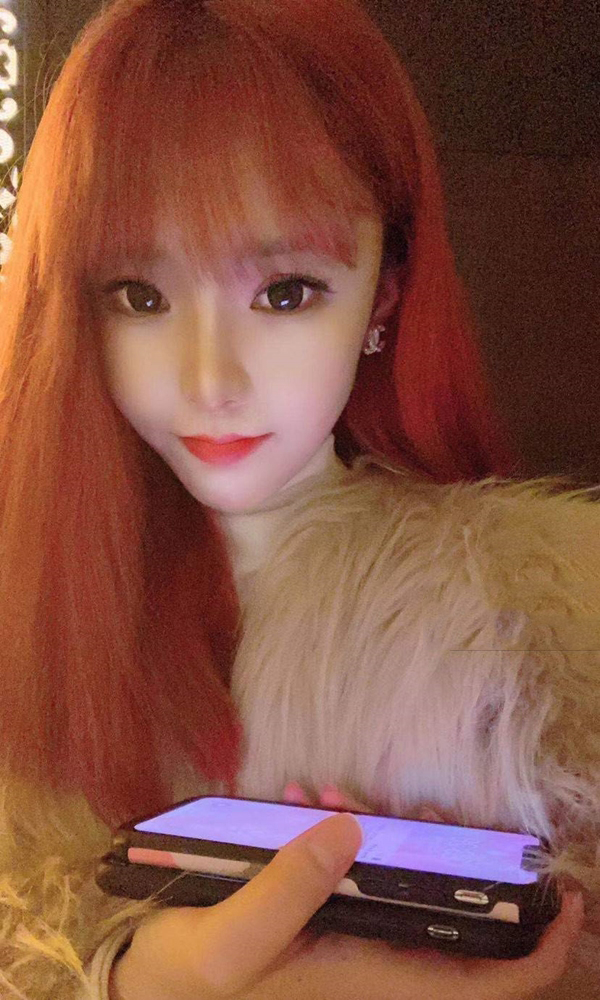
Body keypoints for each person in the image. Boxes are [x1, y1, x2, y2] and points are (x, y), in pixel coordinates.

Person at [0, 0, 598, 997]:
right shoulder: (26, 601)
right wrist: (127, 979)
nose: (210, 380)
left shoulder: (542, 623)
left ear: (384, 295)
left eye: (284, 292)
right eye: (141, 296)